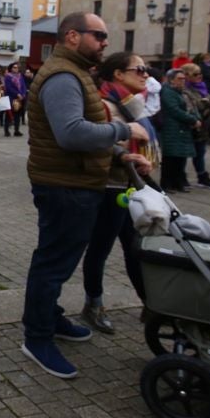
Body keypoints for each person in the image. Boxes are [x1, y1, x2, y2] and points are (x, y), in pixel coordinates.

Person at [20, 12, 149, 379]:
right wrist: (124, 130)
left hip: (75, 183)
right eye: (99, 35)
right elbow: (72, 134)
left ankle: (50, 316)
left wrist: (123, 156)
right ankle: (37, 337)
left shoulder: (75, 73)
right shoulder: (63, 76)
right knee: (53, 262)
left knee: (57, 259)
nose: (106, 42)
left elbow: (83, 133)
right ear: (73, 36)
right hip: (64, 186)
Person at [78, 51, 155, 334]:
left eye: (146, 69)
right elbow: (97, 141)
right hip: (109, 187)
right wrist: (125, 156)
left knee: (136, 248)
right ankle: (93, 305)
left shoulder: (135, 105)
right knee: (101, 249)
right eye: (140, 69)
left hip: (131, 185)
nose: (146, 74)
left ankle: (152, 302)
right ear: (118, 74)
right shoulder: (105, 105)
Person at [157, 69, 200, 193]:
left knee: (180, 159)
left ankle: (178, 183)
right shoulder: (168, 93)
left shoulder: (181, 92)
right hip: (172, 128)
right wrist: (192, 120)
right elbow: (174, 110)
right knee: (170, 159)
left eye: (184, 79)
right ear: (171, 80)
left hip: (182, 129)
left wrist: (196, 118)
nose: (183, 81)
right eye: (179, 79)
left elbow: (191, 107)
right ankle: (166, 184)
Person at [180, 63, 210, 188]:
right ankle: (182, 176)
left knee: (200, 152)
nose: (199, 76)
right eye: (195, 74)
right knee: (185, 153)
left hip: (203, 126)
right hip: (191, 126)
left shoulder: (202, 87)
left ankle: (202, 176)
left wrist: (209, 101)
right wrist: (207, 102)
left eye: (200, 73)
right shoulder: (185, 89)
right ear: (187, 76)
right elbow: (196, 106)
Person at [2, 62, 27, 137]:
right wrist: (17, 94)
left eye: (17, 67)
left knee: (18, 115)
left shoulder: (20, 76)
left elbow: (23, 86)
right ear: (11, 68)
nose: (16, 69)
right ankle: (6, 131)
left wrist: (23, 94)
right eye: (14, 67)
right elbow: (9, 88)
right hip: (11, 98)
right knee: (8, 115)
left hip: (20, 99)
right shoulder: (8, 76)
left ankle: (16, 130)